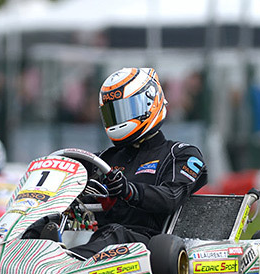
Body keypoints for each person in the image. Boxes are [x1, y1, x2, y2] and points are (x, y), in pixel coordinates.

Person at [26, 67, 208, 259]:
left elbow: (171, 197)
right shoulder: (103, 159)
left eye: (125, 110)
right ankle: (18, 256)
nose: (119, 119)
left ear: (149, 103)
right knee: (48, 222)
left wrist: (129, 190)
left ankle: (64, 264)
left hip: (148, 243)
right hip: (97, 237)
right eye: (113, 113)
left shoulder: (180, 154)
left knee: (114, 233)